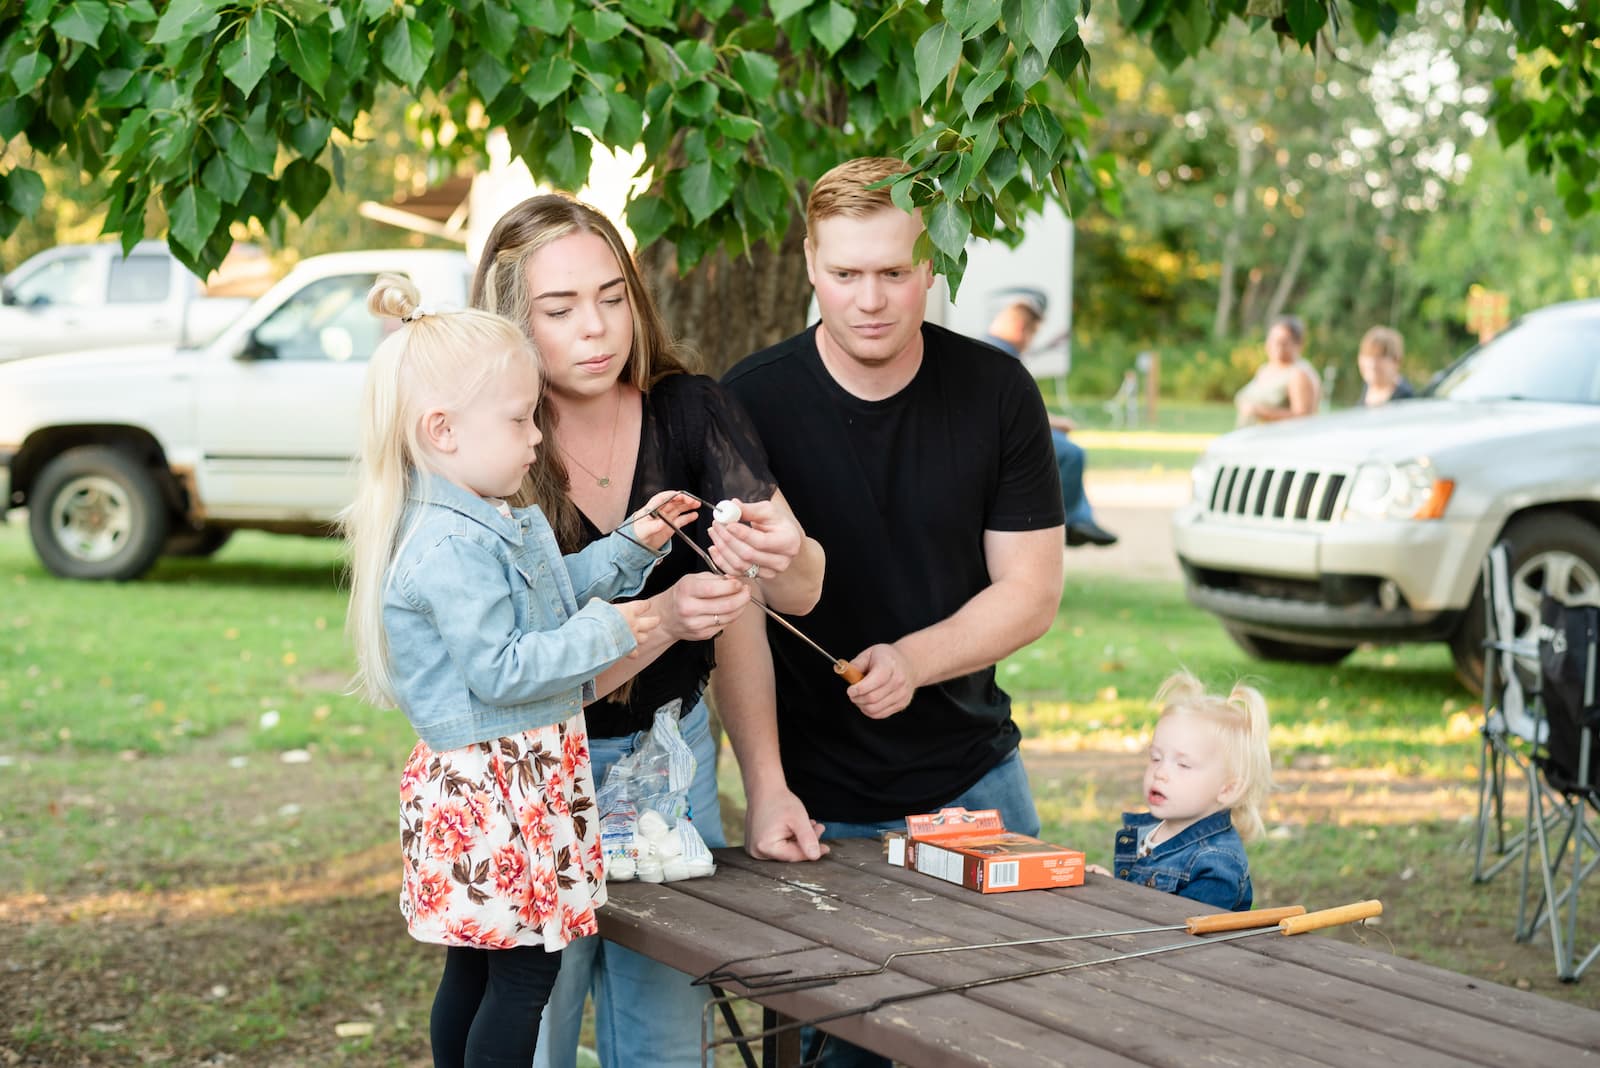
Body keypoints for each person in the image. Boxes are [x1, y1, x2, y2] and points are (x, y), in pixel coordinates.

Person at [719, 156, 1066, 1068]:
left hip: (977, 785)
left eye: (893, 271)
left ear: (932, 266)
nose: (869, 299)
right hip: (818, 807)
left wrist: (913, 660)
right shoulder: (749, 401)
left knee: (1006, 1040)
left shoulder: (998, 394)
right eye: (844, 274)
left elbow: (1031, 592)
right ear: (808, 264)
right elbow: (739, 614)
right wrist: (763, 786)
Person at [470, 193, 825, 1068]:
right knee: (534, 1034)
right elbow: (507, 666)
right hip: (529, 779)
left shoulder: (691, 413)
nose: (596, 328)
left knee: (666, 1041)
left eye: (612, 296)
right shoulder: (486, 447)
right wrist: (663, 619)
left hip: (674, 763)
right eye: (560, 309)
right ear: (512, 319)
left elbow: (788, 598)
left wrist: (768, 785)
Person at [342, 273, 699, 1066]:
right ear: (443, 430)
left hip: (512, 783)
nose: (539, 436)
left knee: (478, 967)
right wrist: (614, 630)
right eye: (520, 419)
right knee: (522, 975)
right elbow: (503, 669)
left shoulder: (489, 520)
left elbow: (545, 601)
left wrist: (630, 546)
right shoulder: (451, 546)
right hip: (497, 794)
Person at [1086, 671, 1271, 911]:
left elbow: (1174, 933)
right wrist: (1109, 888)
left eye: (1183, 765)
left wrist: (1113, 900)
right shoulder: (1151, 831)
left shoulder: (1216, 864)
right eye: (1155, 758)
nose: (1160, 772)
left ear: (1227, 789)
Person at [983, 288, 1118, 548]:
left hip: (1002, 429)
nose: (1031, 341)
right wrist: (1053, 423)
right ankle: (1064, 522)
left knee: (1059, 442)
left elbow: (1017, 404)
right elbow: (1008, 410)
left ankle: (1080, 519)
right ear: (1020, 326)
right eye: (1032, 333)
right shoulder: (1000, 354)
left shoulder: (992, 349)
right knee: (1070, 453)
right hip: (1000, 435)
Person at [1234, 314, 1320, 426]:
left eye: (1283, 343)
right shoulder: (1265, 368)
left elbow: (1304, 418)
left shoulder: (1298, 374)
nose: (1276, 347)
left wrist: (1261, 412)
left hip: (1278, 440)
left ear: (1298, 344)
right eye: (1273, 340)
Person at [1355, 325, 1414, 406]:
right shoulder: (1368, 386)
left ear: (1396, 361)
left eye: (1379, 357)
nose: (1372, 363)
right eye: (1368, 355)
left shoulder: (1405, 399)